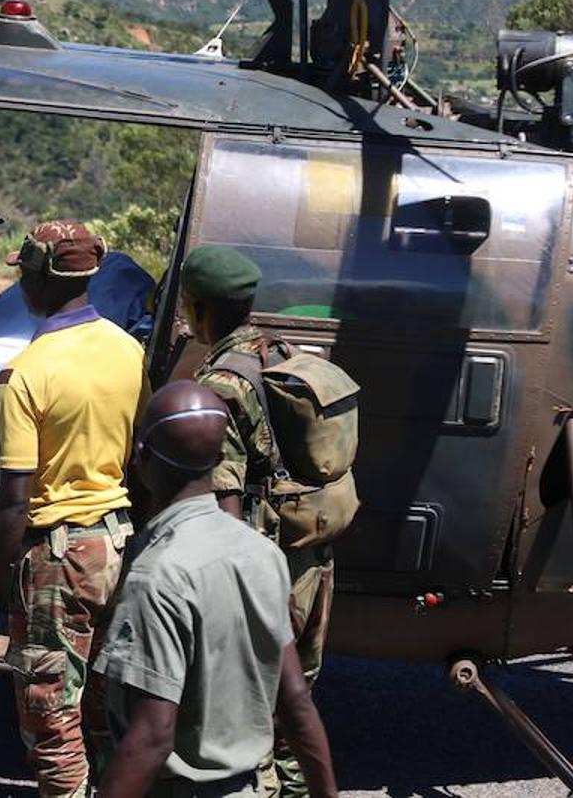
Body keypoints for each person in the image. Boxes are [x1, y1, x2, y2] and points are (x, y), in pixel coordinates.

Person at [0, 220, 149, 798]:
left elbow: (14, 501)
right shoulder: (128, 349)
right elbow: (137, 457)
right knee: (102, 704)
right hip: (117, 545)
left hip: (57, 560)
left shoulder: (26, 373)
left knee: (50, 716)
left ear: (35, 281)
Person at [95, 381, 339, 798]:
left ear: (141, 457)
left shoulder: (158, 575)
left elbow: (152, 737)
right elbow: (295, 700)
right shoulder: (261, 554)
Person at [179, 245, 336, 798]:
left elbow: (222, 503)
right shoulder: (279, 351)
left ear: (198, 308)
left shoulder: (222, 382)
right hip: (311, 553)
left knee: (253, 711)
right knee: (296, 706)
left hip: (265, 565)